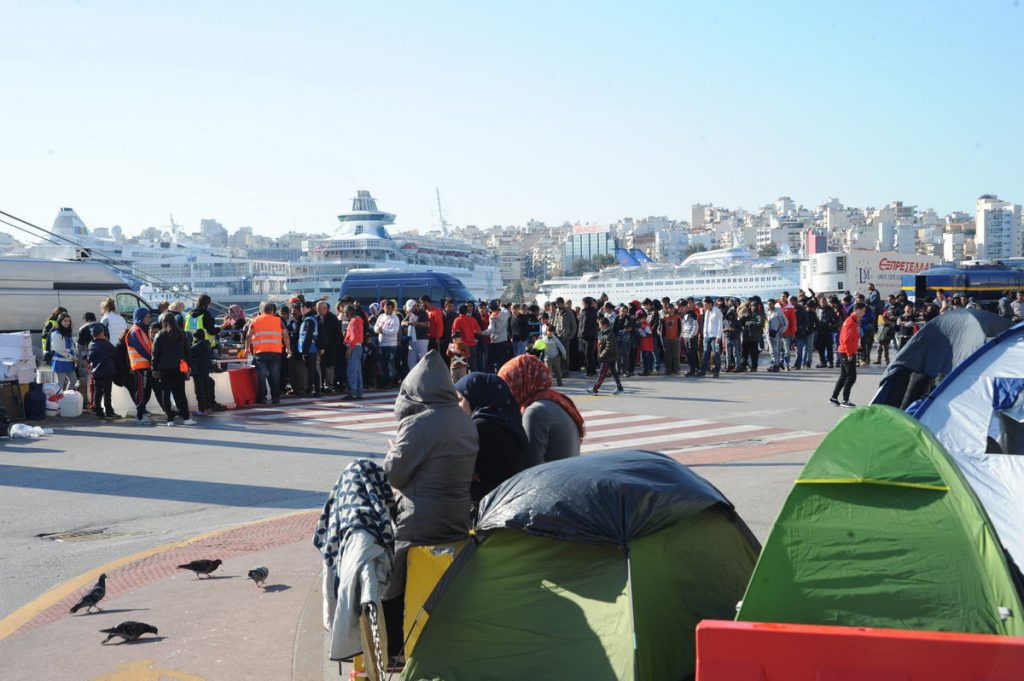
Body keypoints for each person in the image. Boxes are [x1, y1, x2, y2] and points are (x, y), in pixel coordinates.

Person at [382, 351, 478, 658]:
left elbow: (396, 475)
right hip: (458, 517)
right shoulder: (465, 421)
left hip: (419, 521)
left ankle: (395, 646)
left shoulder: (418, 425)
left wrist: (393, 451)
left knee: (389, 576)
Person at [454, 372, 532, 503]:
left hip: (488, 503)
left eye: (461, 400)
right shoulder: (507, 418)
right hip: (513, 497)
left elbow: (460, 471)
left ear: (475, 396)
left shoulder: (481, 426)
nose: (458, 406)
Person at [499, 354, 586, 466]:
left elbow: (530, 466)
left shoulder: (535, 412)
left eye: (509, 385)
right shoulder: (554, 399)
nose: (507, 395)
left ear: (522, 382)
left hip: (552, 480)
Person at [151, 313, 195, 426]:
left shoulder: (159, 335)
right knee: (180, 393)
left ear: (163, 322)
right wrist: (188, 366)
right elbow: (187, 352)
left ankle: (170, 419)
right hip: (179, 368)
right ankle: (186, 418)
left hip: (164, 368)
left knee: (165, 394)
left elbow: (155, 354)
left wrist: (154, 368)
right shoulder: (182, 334)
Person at [247, 301, 289, 405]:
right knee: (275, 376)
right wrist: (288, 348)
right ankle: (275, 398)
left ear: (261, 311)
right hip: (275, 352)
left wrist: (246, 347)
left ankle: (262, 398)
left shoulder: (255, 320)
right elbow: (285, 335)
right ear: (272, 310)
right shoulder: (279, 321)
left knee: (261, 377)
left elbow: (248, 335)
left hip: (260, 352)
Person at [830, 302, 867, 408]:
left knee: (844, 375)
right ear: (858, 310)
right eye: (863, 311)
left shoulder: (854, 322)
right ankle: (845, 400)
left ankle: (834, 398)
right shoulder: (850, 322)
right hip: (846, 352)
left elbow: (852, 339)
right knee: (851, 376)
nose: (864, 313)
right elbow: (845, 340)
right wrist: (849, 353)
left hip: (847, 351)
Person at [126, 308, 155, 425]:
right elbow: (143, 349)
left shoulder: (142, 330)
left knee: (146, 391)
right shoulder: (135, 331)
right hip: (140, 367)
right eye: (146, 317)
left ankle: (142, 413)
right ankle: (140, 415)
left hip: (145, 366)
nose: (148, 319)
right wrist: (153, 359)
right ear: (141, 317)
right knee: (142, 391)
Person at [87, 323, 118, 419]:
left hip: (96, 373)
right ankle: (109, 411)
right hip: (107, 372)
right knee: (107, 393)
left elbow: (90, 358)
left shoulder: (91, 344)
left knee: (98, 392)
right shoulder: (105, 343)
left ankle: (99, 412)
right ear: (101, 333)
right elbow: (115, 352)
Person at [591, 316, 624, 394]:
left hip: (608, 357)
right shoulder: (604, 333)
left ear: (605, 325)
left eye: (600, 324)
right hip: (609, 356)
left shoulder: (609, 334)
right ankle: (620, 388)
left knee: (602, 373)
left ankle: (595, 389)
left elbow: (609, 347)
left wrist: (601, 355)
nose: (599, 326)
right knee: (614, 372)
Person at [373, 300, 401, 388]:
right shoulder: (381, 316)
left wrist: (383, 331)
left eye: (388, 309)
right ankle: (384, 382)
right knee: (383, 364)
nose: (386, 310)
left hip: (391, 345)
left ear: (392, 309)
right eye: (385, 308)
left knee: (390, 364)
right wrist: (378, 330)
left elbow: (394, 331)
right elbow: (375, 327)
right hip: (381, 344)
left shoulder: (395, 318)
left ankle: (392, 381)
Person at [317, 301, 343, 393]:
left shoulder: (332, 318)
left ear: (325, 308)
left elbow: (337, 334)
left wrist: (334, 346)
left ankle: (329, 385)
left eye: (320, 309)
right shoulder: (316, 318)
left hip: (331, 347)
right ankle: (319, 385)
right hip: (320, 347)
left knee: (330, 366)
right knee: (319, 366)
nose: (318, 311)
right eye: (317, 309)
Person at [49, 313, 78, 390]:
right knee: (60, 384)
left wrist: (74, 357)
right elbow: (58, 349)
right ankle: (59, 400)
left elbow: (71, 347)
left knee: (73, 380)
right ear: (60, 321)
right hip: (60, 363)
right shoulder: (56, 334)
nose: (67, 323)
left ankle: (66, 397)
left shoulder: (67, 333)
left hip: (68, 362)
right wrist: (72, 357)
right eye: (65, 321)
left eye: (69, 321)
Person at [298, 301, 321, 397]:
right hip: (310, 348)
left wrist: (304, 351)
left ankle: (310, 391)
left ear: (310, 309)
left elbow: (307, 336)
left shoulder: (309, 320)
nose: (302, 310)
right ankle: (316, 391)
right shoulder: (309, 319)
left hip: (309, 348)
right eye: (301, 308)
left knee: (311, 370)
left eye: (305, 308)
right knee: (313, 370)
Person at [190, 329, 215, 415]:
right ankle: (208, 408)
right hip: (206, 370)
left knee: (199, 391)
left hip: (198, 371)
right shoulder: (207, 344)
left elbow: (188, 353)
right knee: (206, 389)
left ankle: (202, 409)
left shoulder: (196, 346)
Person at [343, 304, 364, 400]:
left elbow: (353, 337)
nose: (345, 315)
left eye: (345, 313)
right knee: (357, 371)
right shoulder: (359, 320)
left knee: (351, 371)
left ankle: (352, 392)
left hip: (354, 347)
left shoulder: (352, 321)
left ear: (349, 313)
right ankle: (359, 392)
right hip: (359, 346)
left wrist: (349, 348)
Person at [700, 297, 724, 378]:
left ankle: (717, 371)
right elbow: (705, 324)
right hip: (707, 336)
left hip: (715, 337)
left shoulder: (717, 311)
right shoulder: (707, 312)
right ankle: (703, 371)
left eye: (705, 304)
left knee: (716, 354)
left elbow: (720, 325)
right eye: (703, 304)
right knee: (706, 354)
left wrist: (719, 336)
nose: (704, 306)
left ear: (710, 303)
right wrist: (704, 335)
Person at [286, 304, 307, 395]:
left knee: (300, 369)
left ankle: (302, 388)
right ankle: (294, 388)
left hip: (300, 348)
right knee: (292, 369)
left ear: (299, 311)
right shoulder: (292, 322)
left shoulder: (303, 322)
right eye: (292, 311)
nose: (292, 313)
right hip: (292, 347)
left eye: (294, 311)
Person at [403, 299, 429, 368]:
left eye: (411, 308)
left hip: (422, 339)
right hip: (412, 340)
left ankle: (423, 376)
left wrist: (416, 323)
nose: (410, 310)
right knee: (411, 361)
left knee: (422, 359)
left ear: (415, 306)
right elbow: (402, 322)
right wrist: (406, 323)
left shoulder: (423, 313)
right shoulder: (410, 313)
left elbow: (427, 324)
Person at [577, 297, 599, 376]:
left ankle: (590, 371)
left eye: (584, 303)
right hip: (582, 336)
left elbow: (593, 325)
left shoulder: (593, 311)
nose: (583, 304)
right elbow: (581, 324)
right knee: (583, 353)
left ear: (587, 303)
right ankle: (589, 370)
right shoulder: (583, 311)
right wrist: (579, 334)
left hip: (590, 336)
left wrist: (594, 335)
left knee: (589, 354)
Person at [766, 299, 788, 372]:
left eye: (771, 304)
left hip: (776, 334)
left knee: (776, 350)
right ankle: (774, 364)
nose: (769, 305)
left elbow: (785, 322)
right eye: (768, 304)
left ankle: (777, 365)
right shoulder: (768, 312)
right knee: (771, 350)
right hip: (769, 334)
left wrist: (782, 331)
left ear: (774, 304)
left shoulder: (778, 311)